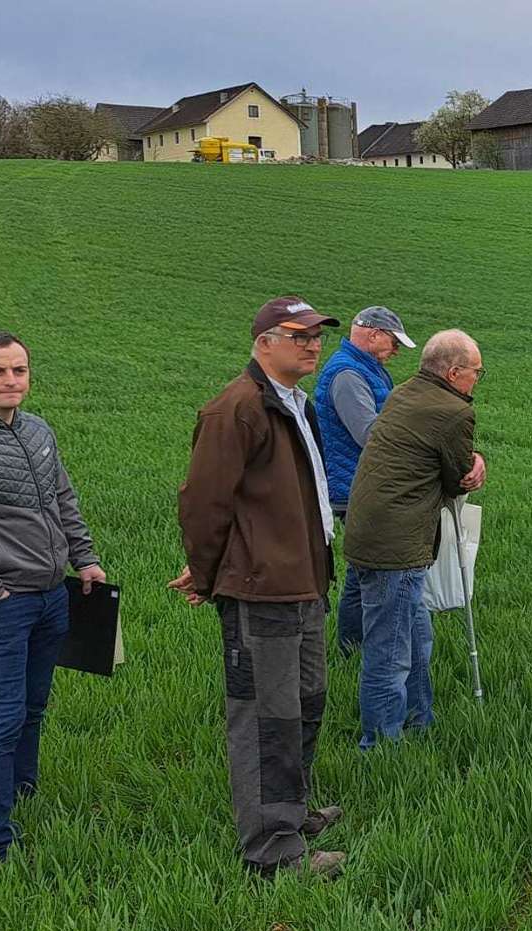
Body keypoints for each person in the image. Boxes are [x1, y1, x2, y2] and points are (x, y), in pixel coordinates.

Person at [171, 296, 346, 877]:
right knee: (266, 716)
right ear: (264, 341)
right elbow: (203, 503)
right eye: (299, 335)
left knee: (306, 703)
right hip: (262, 590)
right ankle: (271, 853)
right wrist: (207, 572)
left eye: (317, 335)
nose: (312, 344)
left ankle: (290, 812)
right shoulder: (237, 409)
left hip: (304, 582)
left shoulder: (296, 403)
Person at [0, 331, 105, 869]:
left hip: (49, 596)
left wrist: (83, 559)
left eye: (19, 370)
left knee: (33, 709)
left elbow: (62, 498)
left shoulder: (36, 429)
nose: (11, 381)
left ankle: (23, 795)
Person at [343, 330, 486, 748]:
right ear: (455, 372)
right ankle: (380, 746)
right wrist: (476, 466)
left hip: (371, 529)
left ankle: (420, 719)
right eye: (477, 372)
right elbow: (457, 478)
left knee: (418, 636)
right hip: (397, 543)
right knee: (390, 651)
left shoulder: (405, 392)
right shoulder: (453, 411)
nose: (478, 379)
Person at [315, 306, 416, 653]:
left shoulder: (364, 370)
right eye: (394, 341)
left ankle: (353, 649)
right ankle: (363, 649)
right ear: (373, 335)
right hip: (356, 489)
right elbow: (369, 433)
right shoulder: (347, 375)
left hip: (361, 484)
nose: (397, 350)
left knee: (361, 576)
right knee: (370, 577)